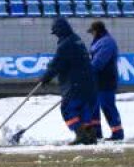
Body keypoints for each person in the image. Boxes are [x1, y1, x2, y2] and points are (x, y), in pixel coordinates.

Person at [40, 17, 98, 145]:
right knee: (83, 110)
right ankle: (91, 135)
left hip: (74, 84)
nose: (56, 36)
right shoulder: (77, 40)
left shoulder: (65, 45)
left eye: (56, 33)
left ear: (59, 31)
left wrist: (45, 78)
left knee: (67, 109)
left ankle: (81, 134)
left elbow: (56, 64)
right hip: (87, 83)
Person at [87, 20, 124, 141]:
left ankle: (117, 133)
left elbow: (99, 62)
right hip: (97, 79)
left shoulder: (107, 42)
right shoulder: (100, 42)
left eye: (92, 32)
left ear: (97, 31)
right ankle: (96, 133)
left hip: (106, 79)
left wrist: (88, 70)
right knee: (95, 106)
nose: (91, 34)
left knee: (107, 105)